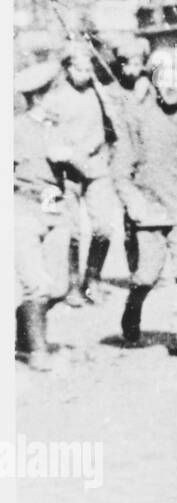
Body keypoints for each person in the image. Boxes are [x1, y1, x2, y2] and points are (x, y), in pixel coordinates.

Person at [111, 47, 177, 358]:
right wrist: (133, 202)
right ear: (154, 82)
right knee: (146, 276)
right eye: (165, 79)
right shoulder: (137, 119)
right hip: (149, 212)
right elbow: (121, 172)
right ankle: (132, 310)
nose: (172, 85)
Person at [14, 60, 79, 371]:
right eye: (54, 92)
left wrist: (70, 157)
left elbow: (81, 165)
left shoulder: (59, 128)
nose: (59, 98)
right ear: (39, 97)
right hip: (23, 209)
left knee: (59, 287)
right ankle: (36, 350)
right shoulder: (14, 129)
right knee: (36, 284)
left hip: (54, 206)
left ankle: (23, 328)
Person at [47, 42, 120, 306]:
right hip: (67, 173)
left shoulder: (98, 93)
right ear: (67, 69)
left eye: (88, 69)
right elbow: (50, 137)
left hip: (97, 166)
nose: (85, 74)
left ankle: (94, 279)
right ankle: (72, 285)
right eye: (79, 69)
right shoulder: (55, 97)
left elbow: (113, 121)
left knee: (103, 227)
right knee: (72, 232)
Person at [101, 35, 153, 275]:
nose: (133, 70)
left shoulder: (149, 89)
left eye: (137, 64)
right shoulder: (110, 93)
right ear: (119, 65)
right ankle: (136, 269)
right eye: (127, 64)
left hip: (149, 158)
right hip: (123, 157)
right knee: (131, 216)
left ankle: (154, 267)